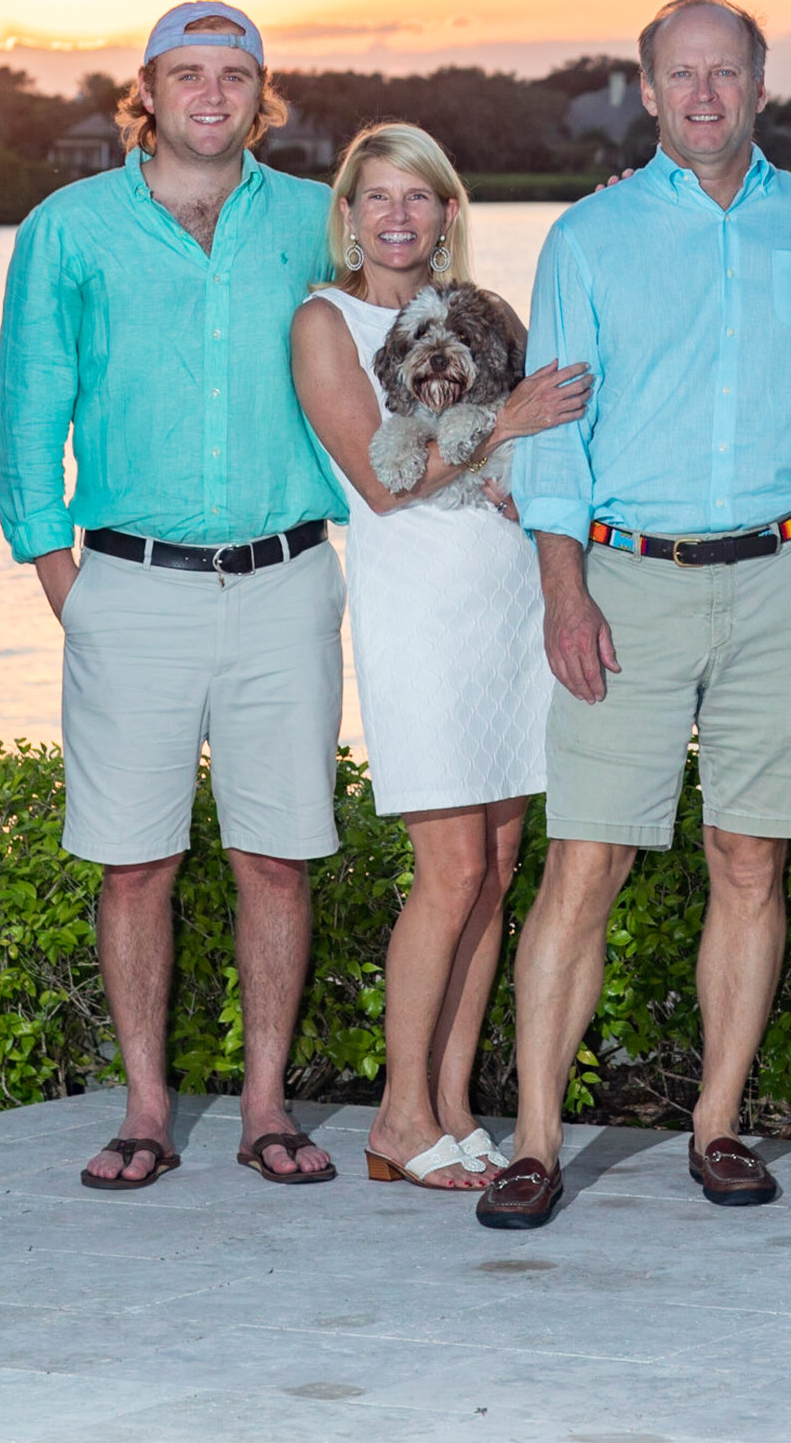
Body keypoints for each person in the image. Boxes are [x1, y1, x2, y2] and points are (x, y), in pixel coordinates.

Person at [475, 0, 791, 1229]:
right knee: (588, 858)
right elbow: (556, 435)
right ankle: (533, 1142)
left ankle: (719, 1125)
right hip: (625, 575)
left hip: (783, 572)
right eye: (680, 74)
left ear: (760, 84)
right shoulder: (590, 238)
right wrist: (562, 589)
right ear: (647, 90)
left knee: (751, 857)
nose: (704, 95)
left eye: (726, 73)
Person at [0, 2, 348, 1190]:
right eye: (187, 74)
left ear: (264, 93)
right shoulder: (68, 228)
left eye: (234, 74)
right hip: (129, 585)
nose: (212, 94)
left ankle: (262, 1108)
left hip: (288, 576)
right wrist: (63, 580)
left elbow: (421, 310)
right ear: (146, 90)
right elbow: (28, 408)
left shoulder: (315, 218)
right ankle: (146, 1108)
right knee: (134, 861)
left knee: (276, 855)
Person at [290, 121, 591, 1192]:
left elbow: (525, 448)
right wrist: (505, 421)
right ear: (350, 213)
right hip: (417, 603)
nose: (399, 217)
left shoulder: (477, 317)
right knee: (449, 868)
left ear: (448, 211)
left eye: (419, 197)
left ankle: (454, 1108)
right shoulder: (326, 320)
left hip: (504, 596)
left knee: (498, 870)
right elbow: (381, 483)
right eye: (378, 198)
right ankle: (396, 1114)